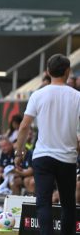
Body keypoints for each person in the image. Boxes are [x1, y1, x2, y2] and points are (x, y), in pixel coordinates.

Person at [15, 54, 80, 235]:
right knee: (68, 204)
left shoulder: (38, 95)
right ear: (68, 72)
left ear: (47, 72)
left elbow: (24, 126)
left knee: (43, 203)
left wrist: (18, 153)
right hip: (67, 157)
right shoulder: (77, 96)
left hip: (43, 156)